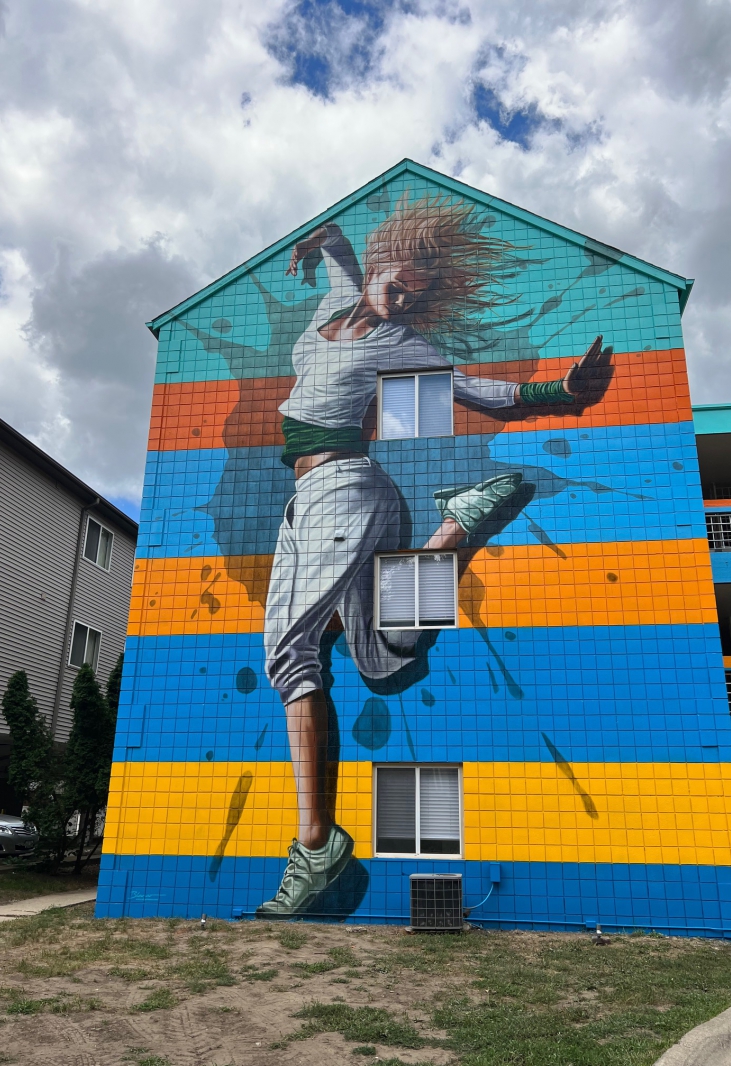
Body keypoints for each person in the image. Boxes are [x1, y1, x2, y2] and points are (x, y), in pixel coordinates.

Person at [256, 196, 612, 918]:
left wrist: (562, 395)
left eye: (418, 293)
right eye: (402, 277)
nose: (404, 295)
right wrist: (325, 234)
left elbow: (477, 391)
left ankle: (316, 847)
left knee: (289, 653)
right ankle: (458, 527)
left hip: (344, 489)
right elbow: (340, 262)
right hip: (312, 502)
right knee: (384, 659)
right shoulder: (341, 300)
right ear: (386, 258)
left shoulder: (399, 346)